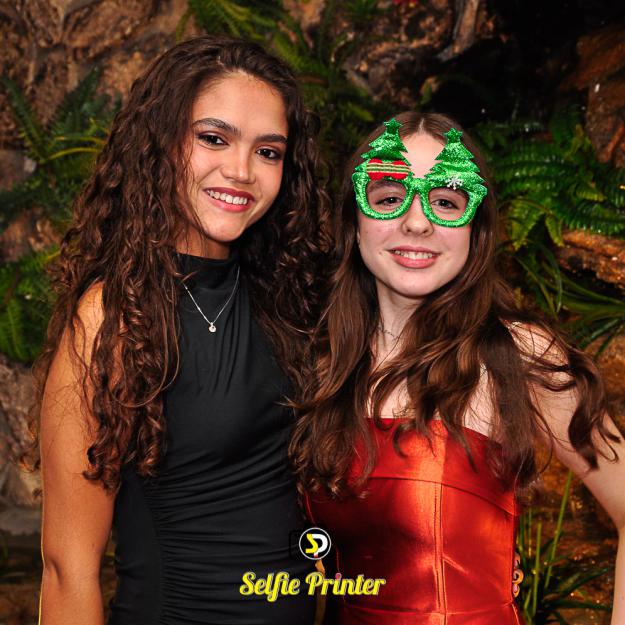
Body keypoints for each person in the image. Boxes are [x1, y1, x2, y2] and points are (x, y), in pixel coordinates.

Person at [31, 35, 330, 625]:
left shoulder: (290, 295)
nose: (240, 171)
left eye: (268, 151)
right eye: (213, 138)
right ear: (160, 142)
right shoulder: (113, 317)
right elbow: (68, 570)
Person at [290, 112, 625, 625]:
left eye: (446, 201)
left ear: (475, 229)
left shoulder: (518, 354)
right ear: (354, 223)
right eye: (389, 197)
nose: (417, 222)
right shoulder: (320, 361)